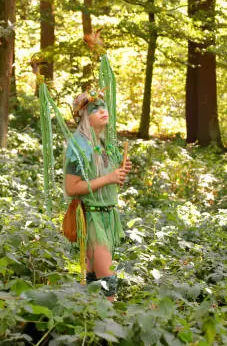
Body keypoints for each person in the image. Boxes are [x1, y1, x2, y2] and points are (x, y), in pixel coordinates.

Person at [64, 91, 132, 301]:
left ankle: (92, 318)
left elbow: (102, 181)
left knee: (94, 277)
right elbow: (72, 188)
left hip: (107, 216)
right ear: (84, 116)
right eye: (95, 109)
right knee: (107, 279)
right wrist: (109, 178)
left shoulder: (102, 144)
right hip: (92, 218)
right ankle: (112, 324)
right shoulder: (78, 147)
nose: (103, 111)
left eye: (104, 106)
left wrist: (118, 172)